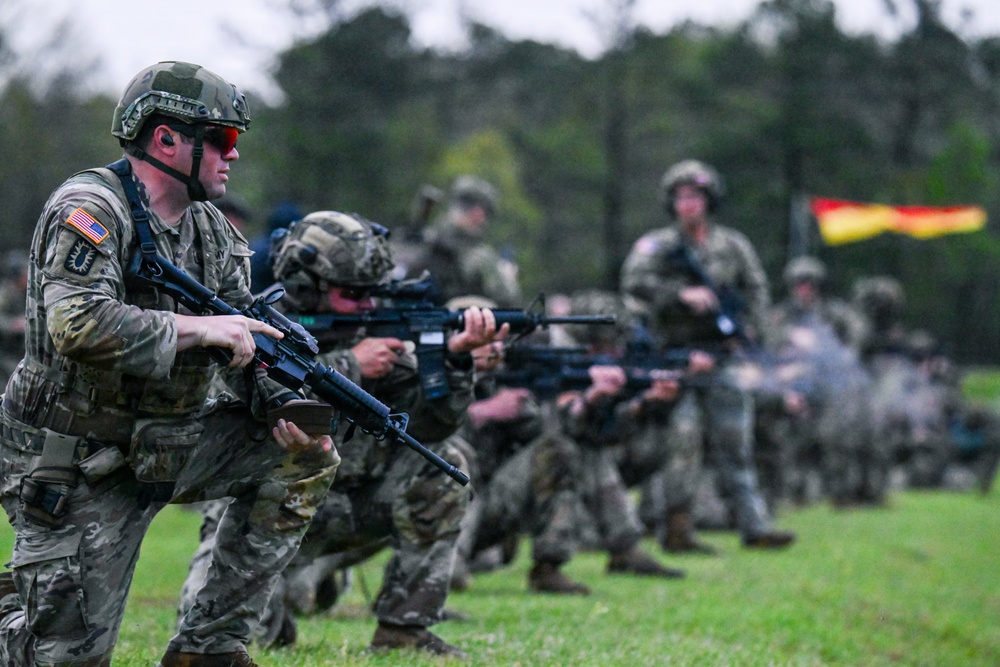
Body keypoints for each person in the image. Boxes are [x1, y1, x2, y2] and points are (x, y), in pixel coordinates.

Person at [0, 61, 341, 667]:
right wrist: (195, 327)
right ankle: (19, 607)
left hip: (167, 438)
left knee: (305, 452)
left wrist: (280, 397)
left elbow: (244, 340)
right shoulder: (91, 209)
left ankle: (209, 649)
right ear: (166, 139)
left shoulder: (212, 231)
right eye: (224, 139)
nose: (232, 156)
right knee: (64, 658)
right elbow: (76, 323)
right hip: (76, 460)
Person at [178, 211, 501, 658]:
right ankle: (289, 592)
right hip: (262, 513)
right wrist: (351, 365)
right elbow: (261, 402)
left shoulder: (378, 334)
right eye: (353, 295)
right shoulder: (254, 329)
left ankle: (403, 630)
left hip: (348, 506)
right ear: (309, 285)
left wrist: (454, 364)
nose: (368, 306)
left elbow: (432, 427)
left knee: (447, 465)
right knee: (219, 628)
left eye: (374, 294)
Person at [620, 159, 795, 550]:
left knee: (736, 443)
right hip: (675, 357)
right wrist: (680, 296)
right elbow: (632, 284)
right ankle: (677, 528)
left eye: (696, 196)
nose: (688, 204)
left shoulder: (732, 246)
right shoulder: (657, 247)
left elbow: (756, 293)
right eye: (681, 197)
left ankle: (754, 525)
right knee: (682, 442)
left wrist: (747, 334)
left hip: (723, 357)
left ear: (709, 200)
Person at [404, 175, 522, 307]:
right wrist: (507, 278)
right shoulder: (478, 255)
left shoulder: (426, 238)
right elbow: (507, 301)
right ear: (478, 213)